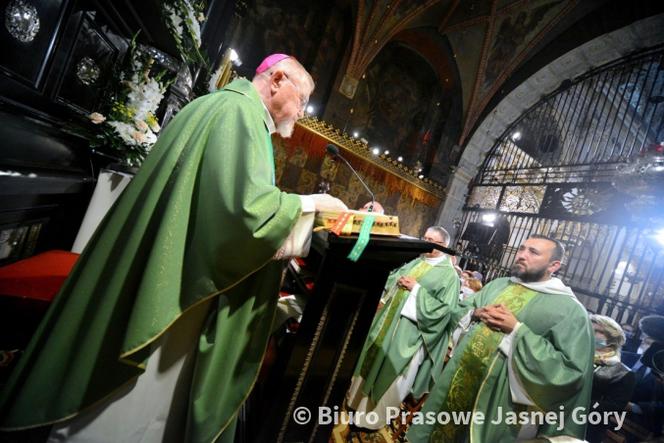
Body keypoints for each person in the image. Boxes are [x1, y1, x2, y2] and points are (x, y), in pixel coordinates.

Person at [0, 54, 347, 442]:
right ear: (278, 79)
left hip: (172, 256)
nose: (301, 113)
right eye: (302, 100)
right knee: (136, 404)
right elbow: (241, 214)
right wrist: (311, 204)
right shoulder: (239, 114)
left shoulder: (224, 107)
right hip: (175, 282)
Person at [407, 234, 594, 442]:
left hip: (501, 401)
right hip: (458, 378)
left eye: (533, 252)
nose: (522, 255)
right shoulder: (499, 284)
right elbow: (460, 311)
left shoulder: (571, 311)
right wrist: (475, 314)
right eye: (522, 249)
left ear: (554, 265)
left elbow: (570, 372)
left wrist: (516, 331)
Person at [345, 226, 460, 429]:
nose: (425, 242)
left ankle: (372, 420)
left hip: (411, 334)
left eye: (431, 239)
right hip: (386, 323)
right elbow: (392, 278)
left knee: (392, 374)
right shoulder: (417, 260)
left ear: (443, 245)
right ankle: (355, 403)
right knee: (370, 361)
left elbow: (445, 312)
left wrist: (416, 289)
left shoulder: (449, 276)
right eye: (424, 237)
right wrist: (395, 281)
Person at [587, 314, 636, 442]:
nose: (592, 333)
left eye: (598, 331)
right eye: (590, 329)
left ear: (612, 338)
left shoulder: (623, 373)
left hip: (588, 426)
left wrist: (581, 402)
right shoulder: (577, 358)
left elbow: (614, 406)